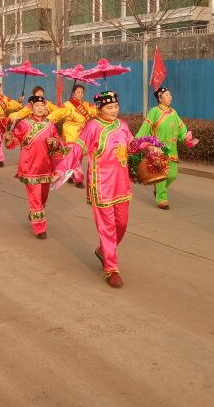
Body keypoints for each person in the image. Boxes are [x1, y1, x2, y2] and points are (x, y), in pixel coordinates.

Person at [58, 91, 134, 288]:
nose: (114, 110)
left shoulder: (122, 125)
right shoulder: (93, 126)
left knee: (122, 224)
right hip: (101, 184)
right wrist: (61, 168)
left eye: (116, 106)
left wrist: (151, 149)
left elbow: (132, 146)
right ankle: (112, 268)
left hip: (122, 183)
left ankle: (103, 250)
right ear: (99, 109)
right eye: (109, 107)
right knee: (107, 227)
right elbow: (78, 149)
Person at [4, 95, 66, 239]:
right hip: (29, 166)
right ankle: (40, 227)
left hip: (46, 166)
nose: (40, 108)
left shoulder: (50, 125)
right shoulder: (24, 124)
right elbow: (15, 141)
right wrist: (9, 138)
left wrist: (54, 142)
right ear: (31, 108)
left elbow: (59, 144)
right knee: (35, 197)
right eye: (37, 106)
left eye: (42, 106)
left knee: (43, 197)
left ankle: (35, 213)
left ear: (46, 108)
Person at [136, 86, 198, 210]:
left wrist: (186, 137)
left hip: (172, 149)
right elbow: (145, 128)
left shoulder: (174, 113)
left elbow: (181, 128)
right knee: (162, 175)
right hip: (158, 149)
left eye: (170, 94)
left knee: (172, 175)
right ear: (160, 98)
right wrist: (142, 141)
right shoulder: (154, 111)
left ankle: (159, 189)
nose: (170, 97)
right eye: (167, 95)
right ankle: (162, 199)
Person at [45, 85, 97, 189]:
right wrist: (45, 121)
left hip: (83, 135)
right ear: (73, 93)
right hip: (70, 134)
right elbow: (57, 114)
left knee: (79, 157)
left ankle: (71, 173)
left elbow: (96, 110)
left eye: (82, 92)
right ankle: (78, 179)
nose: (80, 94)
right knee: (75, 157)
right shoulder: (67, 105)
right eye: (78, 92)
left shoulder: (86, 104)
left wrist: (104, 106)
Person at [0, 81, 22, 168]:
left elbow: (13, 105)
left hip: (2, 122)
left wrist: (19, 101)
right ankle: (0, 159)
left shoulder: (5, 98)